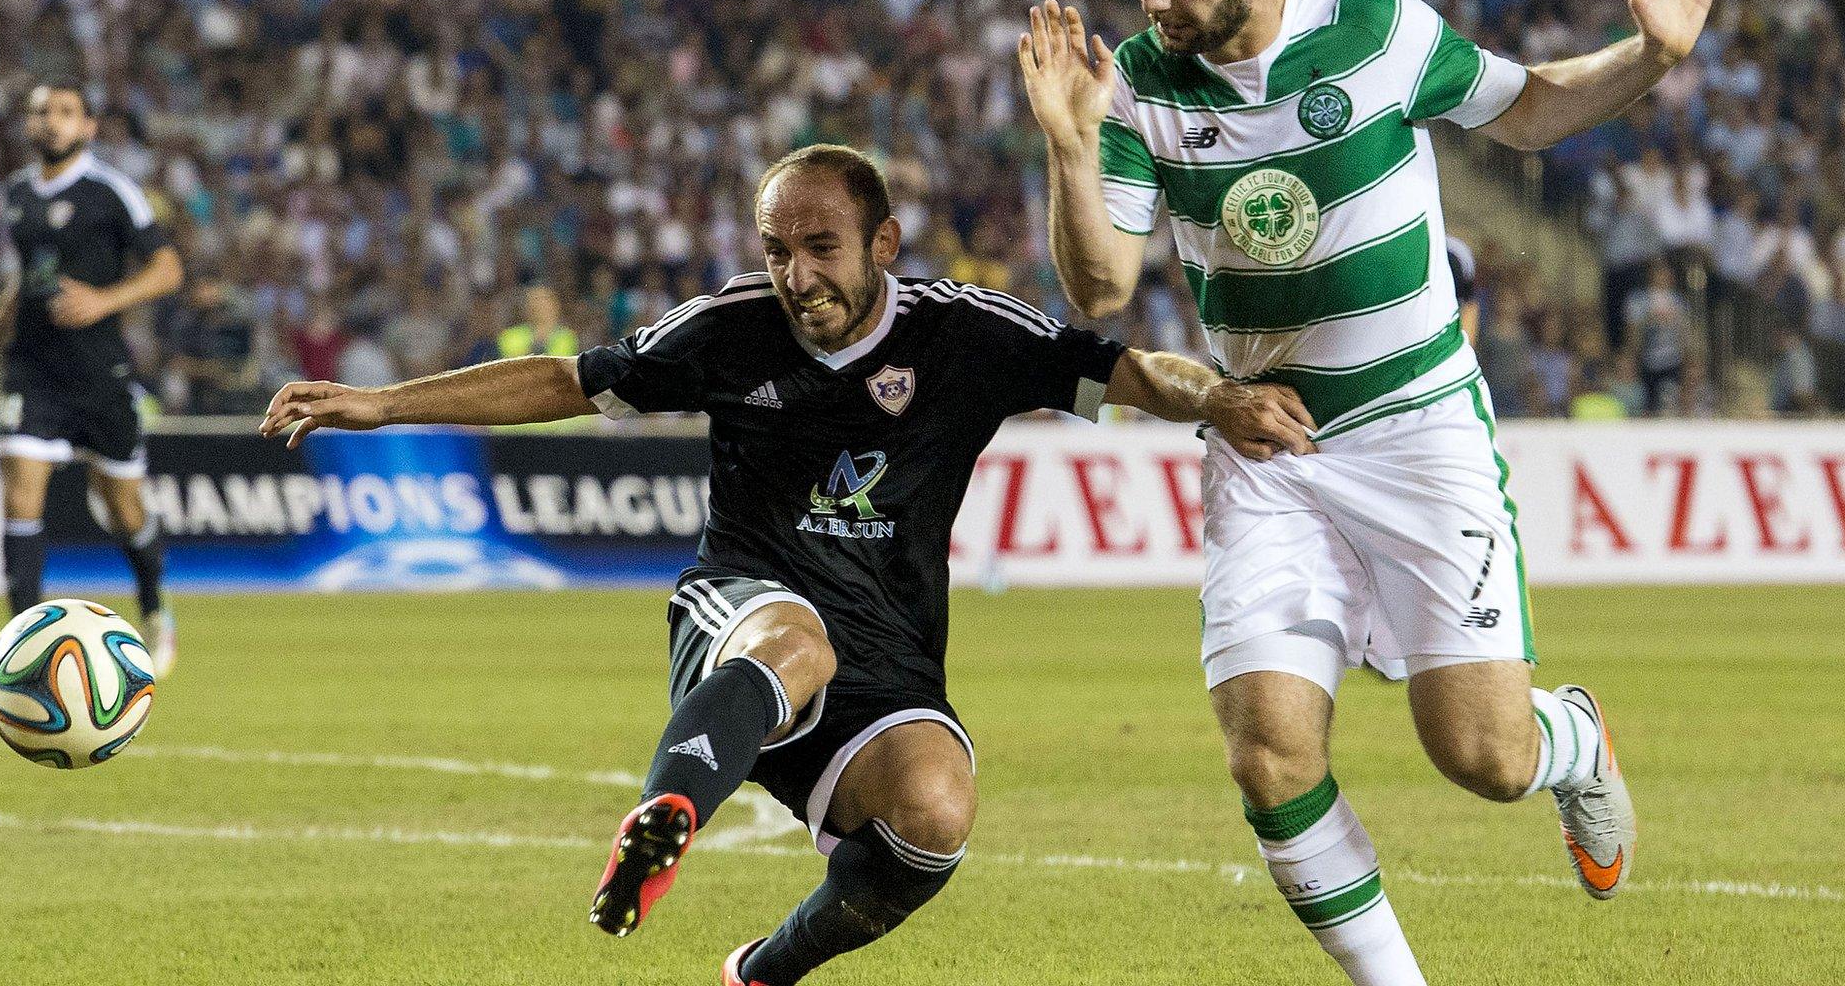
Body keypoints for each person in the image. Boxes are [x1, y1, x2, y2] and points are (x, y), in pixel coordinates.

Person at [259, 143, 1310, 986]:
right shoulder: (732, 327)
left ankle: (760, 972)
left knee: (936, 813)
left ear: (883, 241)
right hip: (742, 615)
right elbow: (567, 382)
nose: (796, 276)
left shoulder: (965, 333)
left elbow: (1124, 368)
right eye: (774, 249)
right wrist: (383, 405)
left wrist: (1217, 396)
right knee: (791, 637)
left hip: (886, 656)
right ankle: (666, 814)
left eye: (820, 246)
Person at [1019, 0, 1735, 981]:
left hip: (1415, 434)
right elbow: (1101, 290)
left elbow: (1532, 111)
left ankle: (1574, 739)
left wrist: (1650, 55)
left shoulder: (1374, 31)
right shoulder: (1139, 86)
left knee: (1484, 758)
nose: (1153, 2)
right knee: (1267, 755)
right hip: (1266, 448)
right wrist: (1066, 146)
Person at [0, 80, 185, 672]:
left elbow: (169, 269)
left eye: (64, 113)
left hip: (98, 373)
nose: (50, 122)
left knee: (125, 508)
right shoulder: (16, 193)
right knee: (20, 491)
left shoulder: (111, 192)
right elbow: (31, 271)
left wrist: (104, 301)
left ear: (88, 126)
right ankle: (24, 644)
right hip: (32, 369)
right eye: (41, 112)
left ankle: (153, 606)